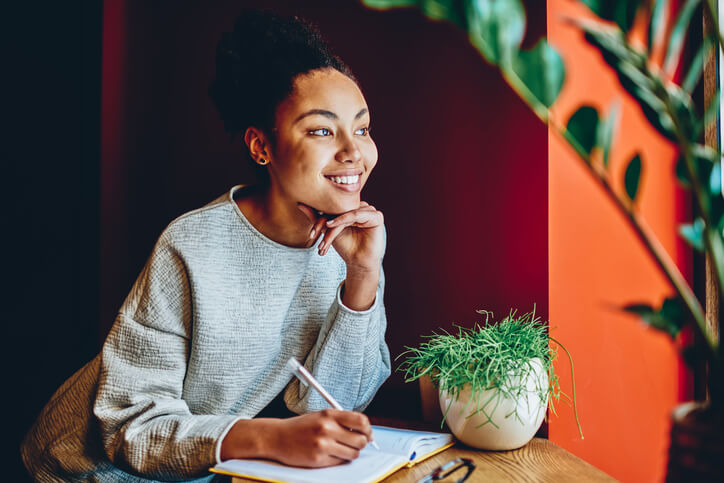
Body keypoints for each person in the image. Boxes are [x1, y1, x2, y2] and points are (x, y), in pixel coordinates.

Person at [21, 9, 390, 482]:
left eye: (361, 128)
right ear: (261, 147)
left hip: (207, 471)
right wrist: (270, 439)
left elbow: (331, 403)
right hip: (87, 469)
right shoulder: (192, 245)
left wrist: (362, 276)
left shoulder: (354, 244)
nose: (353, 152)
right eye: (321, 130)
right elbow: (129, 428)